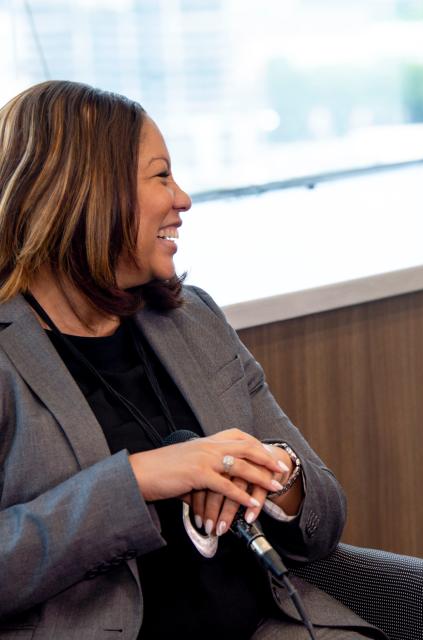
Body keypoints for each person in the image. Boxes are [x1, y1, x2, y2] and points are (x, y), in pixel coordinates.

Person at [0, 81, 382, 639]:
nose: (183, 199)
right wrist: (136, 480)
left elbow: (324, 522)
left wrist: (268, 472)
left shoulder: (192, 318)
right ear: (86, 193)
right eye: (161, 176)